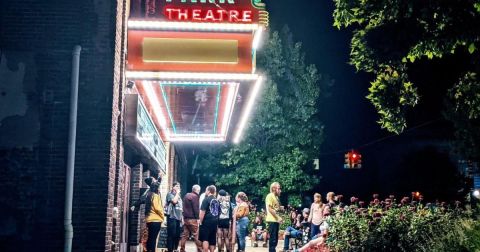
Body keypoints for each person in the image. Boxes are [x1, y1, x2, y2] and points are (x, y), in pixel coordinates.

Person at [180, 184, 202, 252]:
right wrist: (198, 218)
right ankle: (199, 249)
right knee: (196, 235)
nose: (199, 192)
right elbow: (196, 208)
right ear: (197, 190)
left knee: (184, 235)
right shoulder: (195, 196)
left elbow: (183, 206)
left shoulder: (186, 195)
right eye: (199, 190)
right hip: (193, 219)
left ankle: (182, 249)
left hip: (186, 218)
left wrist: (183, 216)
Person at [199, 185, 220, 252]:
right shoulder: (216, 200)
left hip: (207, 222)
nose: (205, 191)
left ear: (209, 191)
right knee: (212, 239)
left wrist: (200, 221)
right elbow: (218, 212)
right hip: (215, 222)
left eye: (206, 190)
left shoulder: (206, 199)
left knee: (205, 239)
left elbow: (202, 212)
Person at [145, 183, 165, 252]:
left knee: (150, 238)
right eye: (159, 188)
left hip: (149, 220)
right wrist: (162, 216)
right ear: (157, 188)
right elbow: (158, 208)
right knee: (153, 238)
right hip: (156, 220)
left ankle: (148, 250)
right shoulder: (155, 196)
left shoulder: (149, 195)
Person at [166, 182, 183, 252]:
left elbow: (181, 208)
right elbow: (174, 201)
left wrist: (182, 218)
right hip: (172, 217)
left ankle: (175, 249)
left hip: (178, 218)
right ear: (173, 187)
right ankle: (170, 249)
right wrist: (177, 193)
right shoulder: (170, 194)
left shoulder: (179, 197)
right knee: (171, 234)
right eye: (176, 186)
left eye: (179, 186)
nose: (178, 187)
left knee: (177, 235)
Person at [265, 182, 282, 252]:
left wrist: (280, 208)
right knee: (273, 240)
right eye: (279, 188)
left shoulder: (276, 197)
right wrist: (278, 217)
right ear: (274, 188)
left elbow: (275, 208)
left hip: (275, 221)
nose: (280, 190)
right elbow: (270, 209)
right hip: (272, 220)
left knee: (275, 240)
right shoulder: (270, 196)